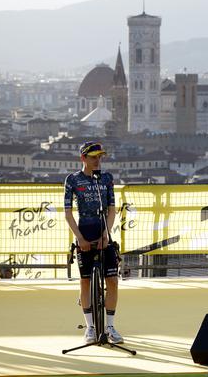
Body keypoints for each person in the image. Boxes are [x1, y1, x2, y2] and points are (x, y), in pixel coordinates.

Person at [64, 141, 124, 344]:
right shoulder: (72, 180)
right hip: (84, 233)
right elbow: (68, 213)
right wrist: (80, 238)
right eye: (93, 157)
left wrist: (106, 235)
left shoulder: (106, 179)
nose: (98, 160)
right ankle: (90, 327)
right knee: (85, 280)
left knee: (113, 281)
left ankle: (110, 326)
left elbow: (112, 209)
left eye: (100, 157)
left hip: (103, 232)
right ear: (83, 158)